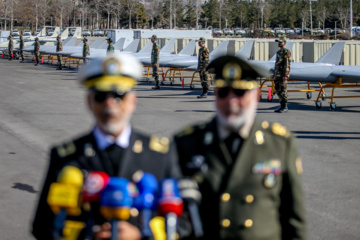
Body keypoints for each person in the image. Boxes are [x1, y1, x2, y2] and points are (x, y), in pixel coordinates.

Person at [32, 53, 183, 240]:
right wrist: (86, 235)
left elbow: (184, 224)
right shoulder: (66, 157)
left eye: (119, 95)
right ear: (89, 102)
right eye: (101, 96)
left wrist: (141, 235)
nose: (110, 104)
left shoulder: (160, 155)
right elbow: (42, 226)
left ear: (133, 101)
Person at [174, 56, 306, 240]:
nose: (231, 101)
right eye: (223, 92)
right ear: (215, 95)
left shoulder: (279, 145)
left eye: (239, 92)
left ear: (256, 95)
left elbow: (294, 221)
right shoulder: (187, 144)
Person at [274, 36, 291, 113]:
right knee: (278, 90)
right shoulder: (278, 52)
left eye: (280, 42)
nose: (279, 43)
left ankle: (285, 107)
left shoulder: (286, 52)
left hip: (282, 75)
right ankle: (281, 106)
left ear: (284, 43)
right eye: (278, 42)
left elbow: (287, 64)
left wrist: (285, 75)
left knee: (283, 90)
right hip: (277, 75)